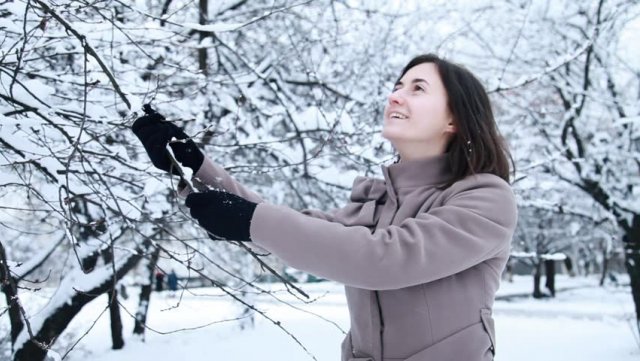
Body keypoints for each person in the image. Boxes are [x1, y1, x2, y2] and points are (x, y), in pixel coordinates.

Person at [132, 54, 517, 361]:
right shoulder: (379, 201)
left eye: (417, 89)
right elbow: (295, 233)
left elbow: (383, 259)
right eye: (397, 86)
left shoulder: (485, 198)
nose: (395, 96)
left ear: (455, 119)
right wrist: (194, 167)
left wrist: (253, 221)